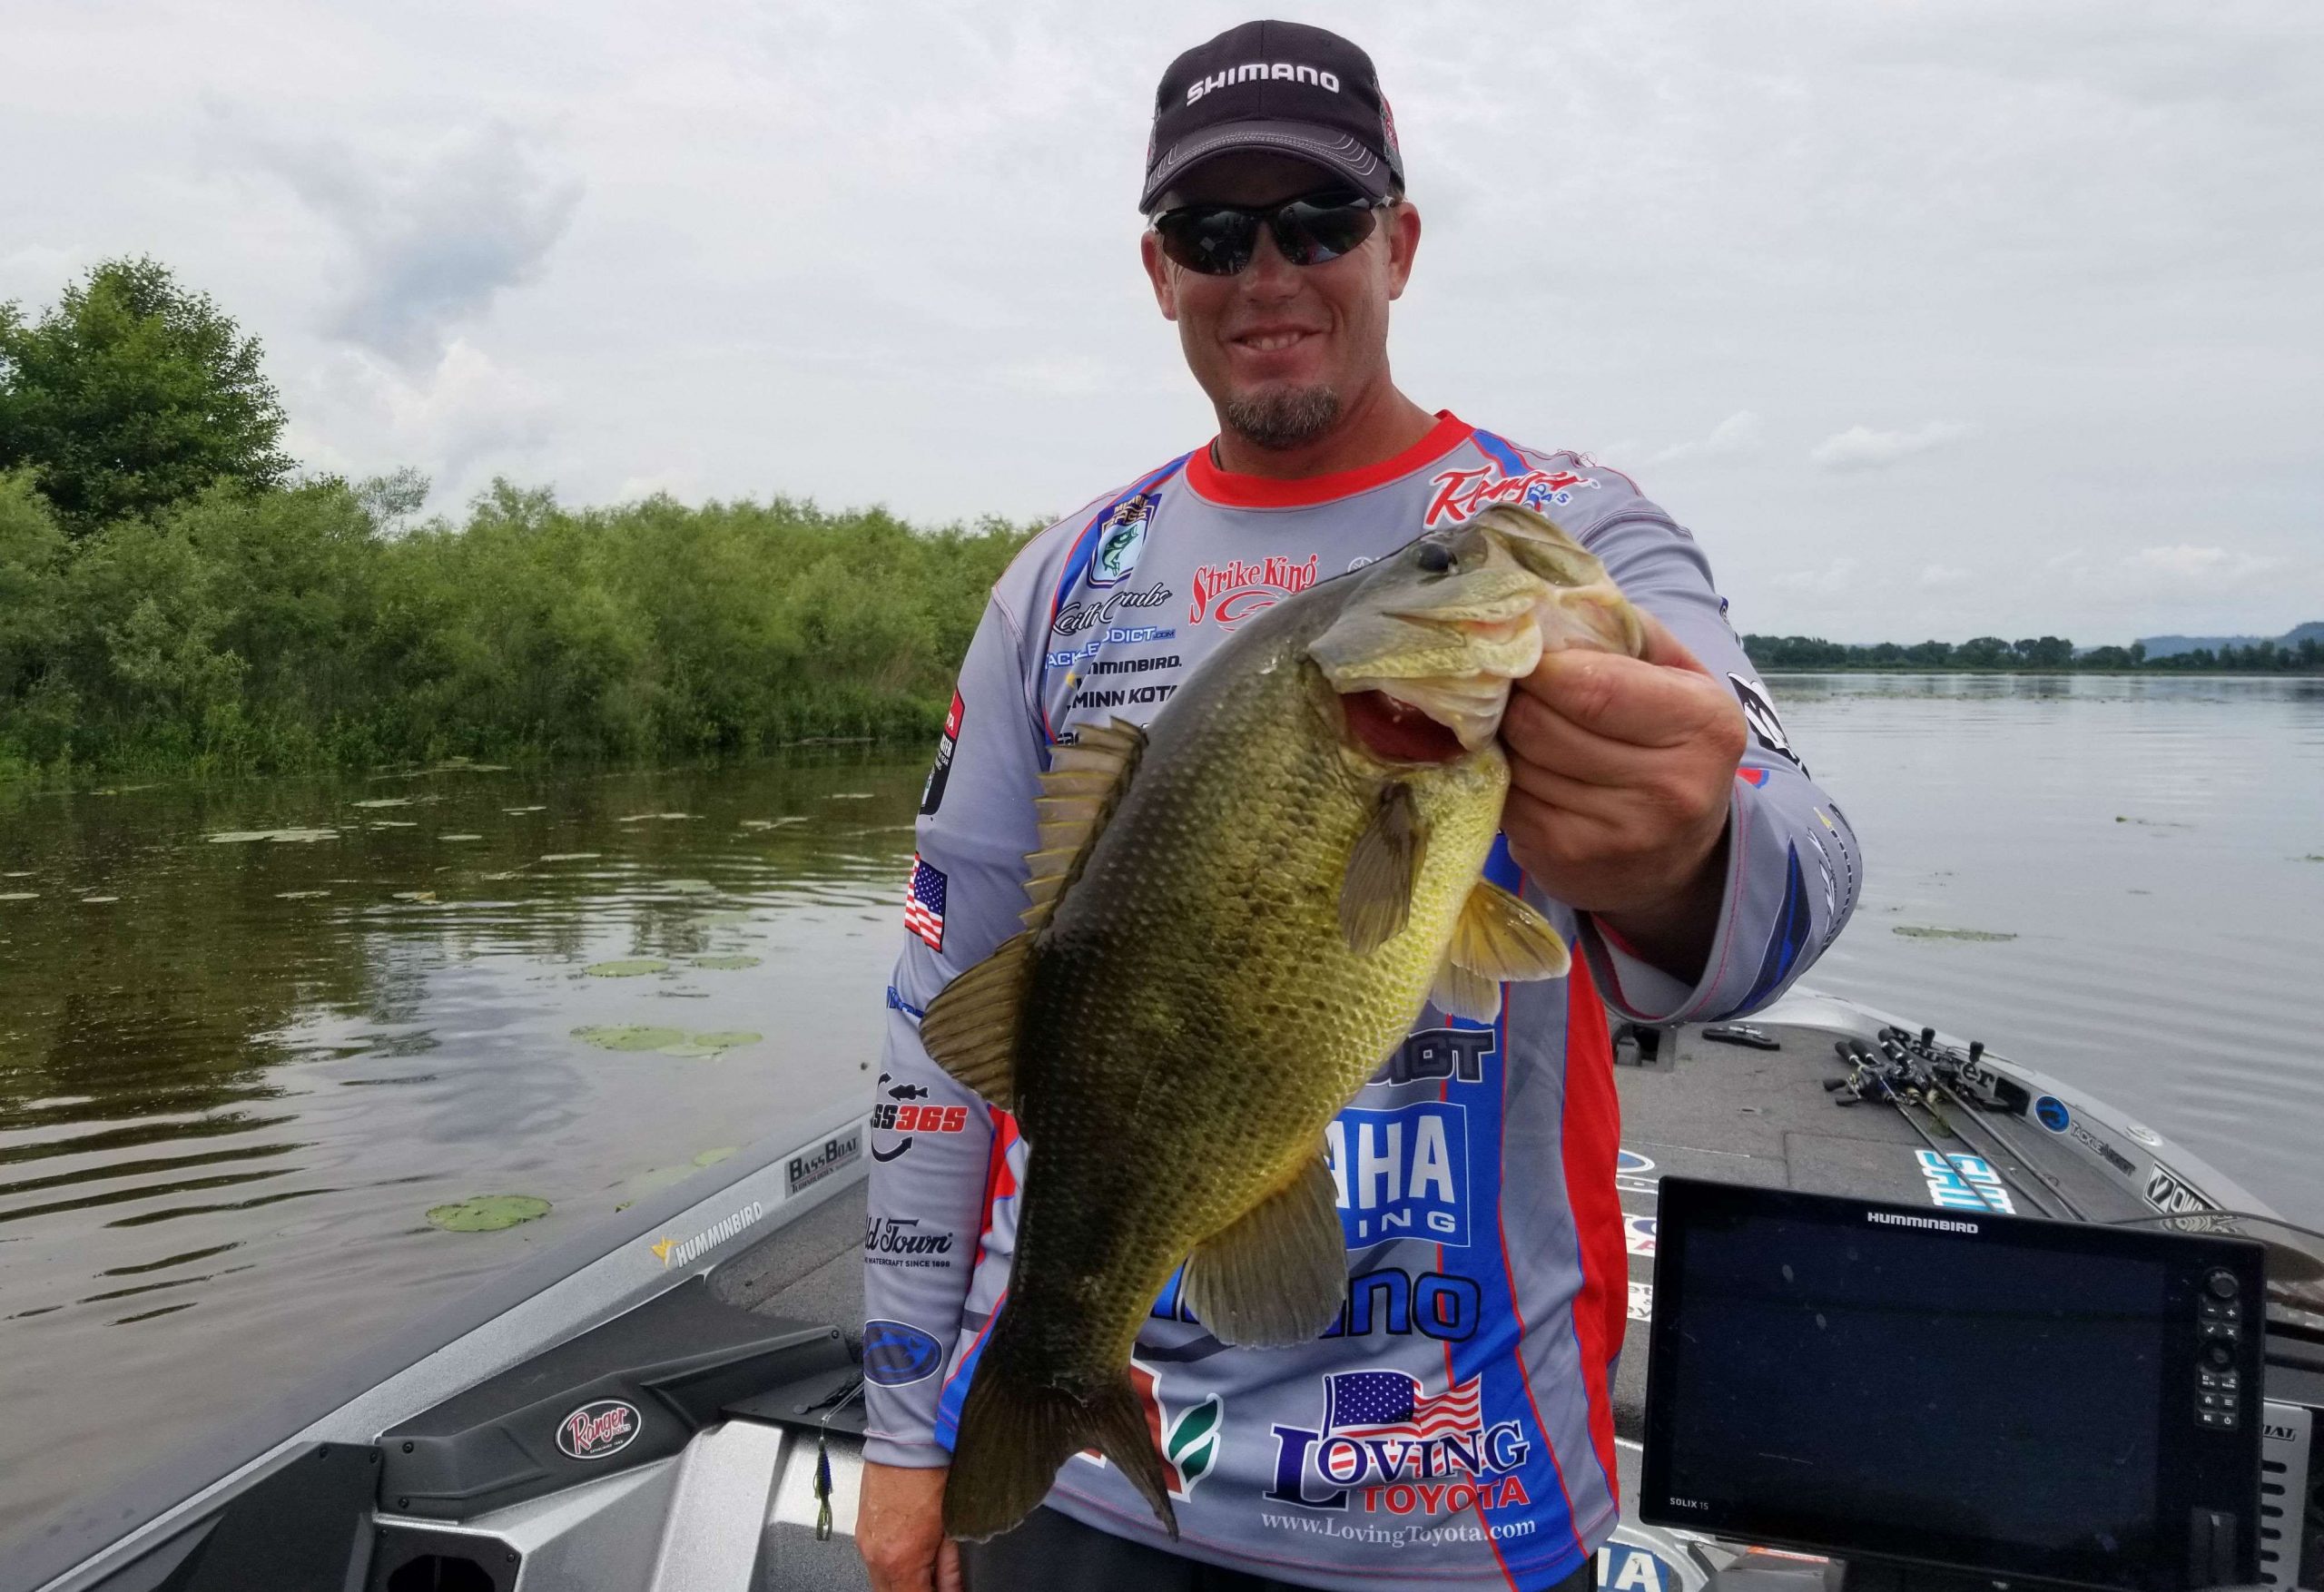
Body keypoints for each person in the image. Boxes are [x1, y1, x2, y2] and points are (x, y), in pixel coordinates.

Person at [858, 19, 1862, 1592]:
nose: (1267, 271)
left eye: (1320, 220)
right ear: (1160, 271)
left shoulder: (1566, 533)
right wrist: (907, 1430)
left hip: (1464, 1500)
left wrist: (1690, 848)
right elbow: (938, 1027)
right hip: (1087, 1480)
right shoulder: (1060, 584)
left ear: (1399, 244)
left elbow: (1802, 866)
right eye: (1214, 233)